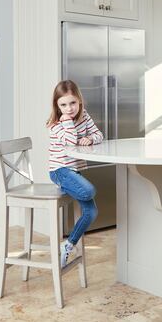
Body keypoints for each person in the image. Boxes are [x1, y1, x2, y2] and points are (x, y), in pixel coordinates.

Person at [46, 80, 103, 267]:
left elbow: (99, 134)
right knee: (88, 191)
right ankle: (63, 185)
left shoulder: (84, 116)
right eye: (63, 105)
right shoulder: (55, 125)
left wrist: (89, 138)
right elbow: (70, 142)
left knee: (92, 211)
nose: (69, 109)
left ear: (79, 101)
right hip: (60, 171)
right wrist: (68, 122)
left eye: (72, 103)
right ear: (57, 106)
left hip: (75, 171)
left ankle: (68, 245)